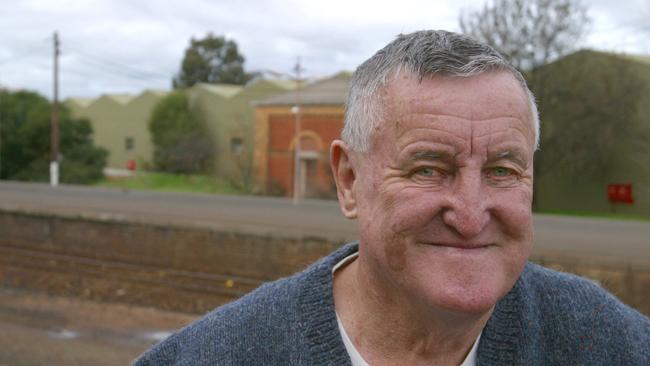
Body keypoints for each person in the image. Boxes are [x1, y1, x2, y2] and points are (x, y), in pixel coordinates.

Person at [134, 30, 649, 365]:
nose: (470, 215)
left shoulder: (610, 343)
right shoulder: (217, 356)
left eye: (501, 170)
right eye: (429, 168)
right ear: (350, 180)